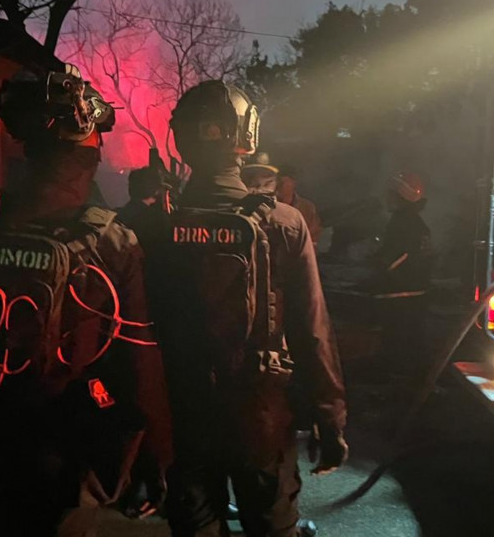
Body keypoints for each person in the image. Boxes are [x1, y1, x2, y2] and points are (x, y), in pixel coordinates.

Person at [0, 65, 172, 537]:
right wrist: (156, 457)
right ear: (87, 148)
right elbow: (140, 362)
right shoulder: (112, 242)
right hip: (65, 464)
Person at [156, 80, 348, 537]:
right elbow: (312, 329)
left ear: (180, 138)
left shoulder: (151, 225)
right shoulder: (284, 222)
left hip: (182, 414)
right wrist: (329, 417)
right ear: (247, 136)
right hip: (262, 413)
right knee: (272, 526)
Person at [373, 171, 433, 376]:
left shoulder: (402, 222)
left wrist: (376, 267)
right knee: (414, 344)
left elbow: (394, 257)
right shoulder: (418, 223)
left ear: (400, 196)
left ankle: (398, 384)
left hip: (400, 295)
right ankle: (412, 381)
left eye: (390, 193)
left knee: (397, 346)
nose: (386, 197)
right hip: (416, 294)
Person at [276, 165, 323, 249]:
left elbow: (314, 235)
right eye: (277, 181)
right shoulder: (269, 206)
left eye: (284, 182)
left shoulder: (307, 207)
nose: (280, 185)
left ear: (294, 183)